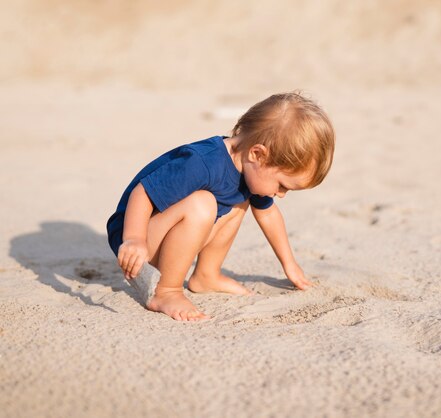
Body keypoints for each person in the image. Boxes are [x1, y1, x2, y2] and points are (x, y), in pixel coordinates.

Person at [106, 93, 335, 321]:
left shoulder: (251, 170)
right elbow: (143, 193)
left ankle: (206, 275)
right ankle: (166, 291)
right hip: (138, 243)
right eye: (282, 185)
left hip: (167, 237)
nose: (281, 194)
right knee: (202, 204)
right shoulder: (201, 163)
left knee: (240, 200)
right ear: (258, 154)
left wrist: (290, 264)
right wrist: (134, 239)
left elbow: (268, 215)